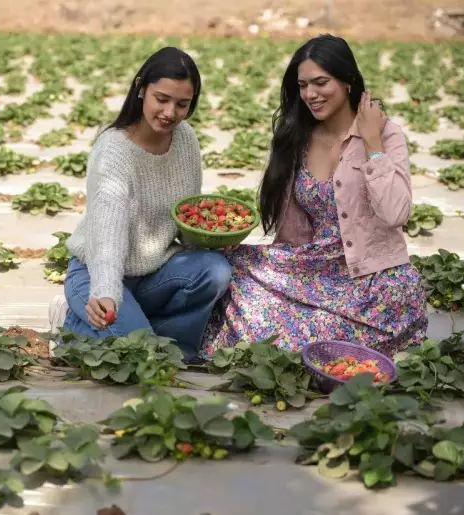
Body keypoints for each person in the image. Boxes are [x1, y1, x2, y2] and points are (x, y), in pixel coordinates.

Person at [201, 34, 427, 356]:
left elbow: (396, 213)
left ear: (348, 80)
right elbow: (293, 231)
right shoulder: (299, 137)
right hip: (313, 267)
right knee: (229, 270)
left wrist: (373, 145)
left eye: (321, 82)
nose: (310, 94)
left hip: (373, 281)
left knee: (283, 339)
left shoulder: (386, 134)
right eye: (303, 85)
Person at [47, 47, 233, 361]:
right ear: (141, 89)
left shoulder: (185, 139)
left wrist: (210, 240)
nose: (170, 113)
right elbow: (107, 235)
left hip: (154, 272)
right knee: (142, 355)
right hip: (98, 273)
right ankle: (69, 321)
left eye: (182, 104)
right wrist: (105, 291)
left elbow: (187, 213)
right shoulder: (115, 150)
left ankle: (171, 347)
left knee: (215, 271)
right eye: (161, 99)